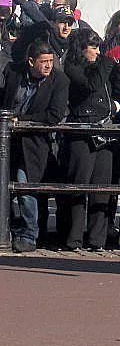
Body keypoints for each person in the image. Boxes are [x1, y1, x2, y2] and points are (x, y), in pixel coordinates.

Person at [0, 40, 68, 251]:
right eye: (44, 61)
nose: (49, 65)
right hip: (7, 140)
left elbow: (54, 115)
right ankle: (9, 231)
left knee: (24, 187)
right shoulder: (13, 71)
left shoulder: (60, 80)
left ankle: (29, 235)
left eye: (51, 61)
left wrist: (21, 120)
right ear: (31, 62)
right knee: (6, 187)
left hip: (35, 142)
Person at [60, 30, 117, 252]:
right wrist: (109, 61)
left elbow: (116, 88)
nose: (97, 51)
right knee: (79, 184)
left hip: (104, 130)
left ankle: (97, 239)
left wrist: (119, 65)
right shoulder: (73, 67)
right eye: (92, 47)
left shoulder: (101, 65)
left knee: (101, 186)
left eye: (98, 47)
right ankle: (73, 238)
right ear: (81, 48)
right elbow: (91, 85)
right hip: (82, 131)